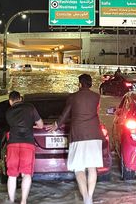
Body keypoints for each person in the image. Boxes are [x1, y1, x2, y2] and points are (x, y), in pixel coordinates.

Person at [47, 74, 103, 204]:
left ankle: (85, 198)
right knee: (92, 167)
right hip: (94, 133)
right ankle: (90, 195)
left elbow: (65, 114)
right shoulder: (96, 97)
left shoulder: (73, 97)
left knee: (79, 168)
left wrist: (56, 125)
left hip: (78, 135)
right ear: (90, 83)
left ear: (79, 84)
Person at [5, 91, 43, 204]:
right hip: (28, 144)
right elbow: (40, 125)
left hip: (12, 144)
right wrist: (31, 124)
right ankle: (23, 201)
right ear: (20, 98)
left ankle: (11, 201)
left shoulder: (8, 111)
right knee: (26, 174)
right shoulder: (30, 107)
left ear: (10, 101)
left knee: (11, 175)